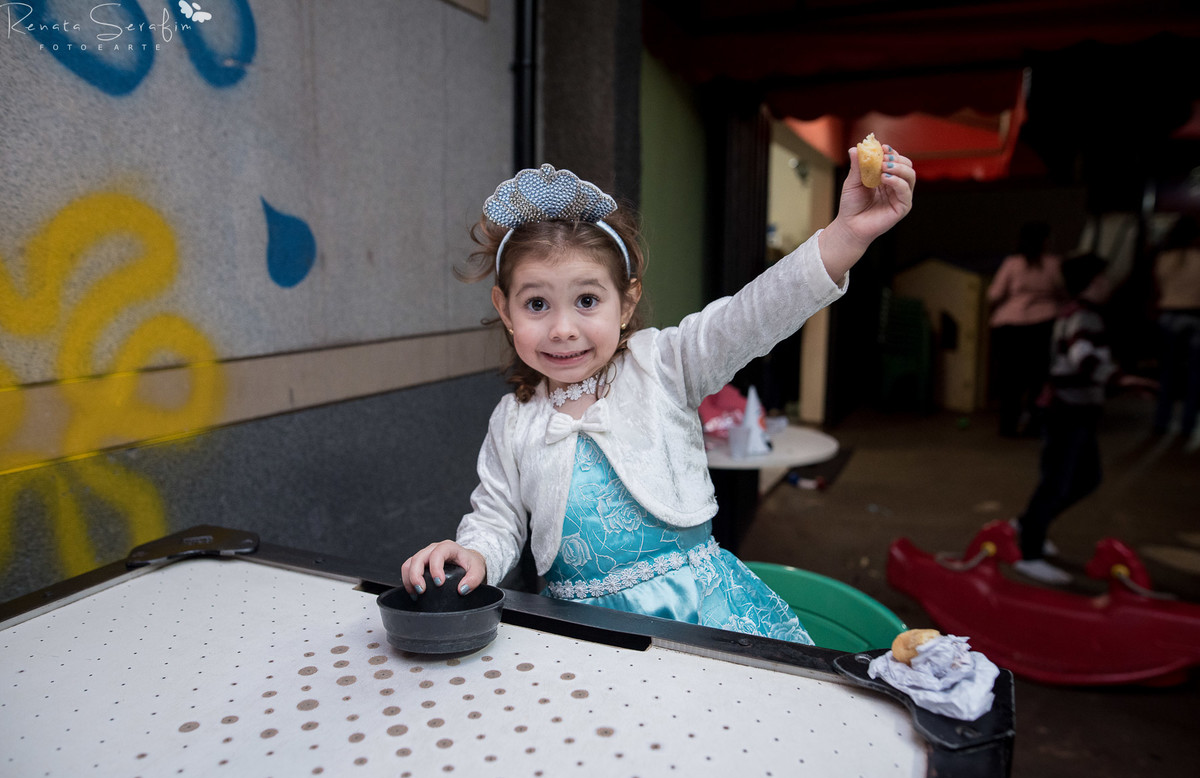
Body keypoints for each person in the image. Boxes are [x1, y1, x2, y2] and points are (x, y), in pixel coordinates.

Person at [401, 148, 916, 643]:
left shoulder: (666, 365)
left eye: (586, 300)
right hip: (583, 635)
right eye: (537, 303)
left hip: (701, 613)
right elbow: (496, 517)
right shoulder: (513, 419)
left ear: (626, 302)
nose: (562, 328)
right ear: (506, 309)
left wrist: (847, 233)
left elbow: (753, 314)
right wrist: (472, 553)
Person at [1009, 253, 1158, 585]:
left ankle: (1031, 523)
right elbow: (1083, 359)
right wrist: (1124, 379)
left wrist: (1119, 383)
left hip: (1078, 411)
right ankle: (1028, 553)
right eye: (1103, 279)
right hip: (1066, 412)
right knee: (1057, 482)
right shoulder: (1083, 316)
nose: (1107, 284)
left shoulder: (1082, 314)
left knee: (1086, 478)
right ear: (1093, 282)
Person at [987, 221, 1064, 437]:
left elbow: (994, 294)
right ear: (1046, 241)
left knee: (1010, 379)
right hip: (1043, 325)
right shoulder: (1053, 264)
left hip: (1009, 327)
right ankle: (1035, 424)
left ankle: (1007, 425)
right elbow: (1063, 291)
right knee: (1038, 378)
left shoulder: (1012, 263)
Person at [1151, 213, 1200, 451]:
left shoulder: (1163, 258)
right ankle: (1187, 424)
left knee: (1167, 373)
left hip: (1169, 315)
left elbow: (1158, 288)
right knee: (1195, 376)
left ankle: (1161, 421)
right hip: (1195, 315)